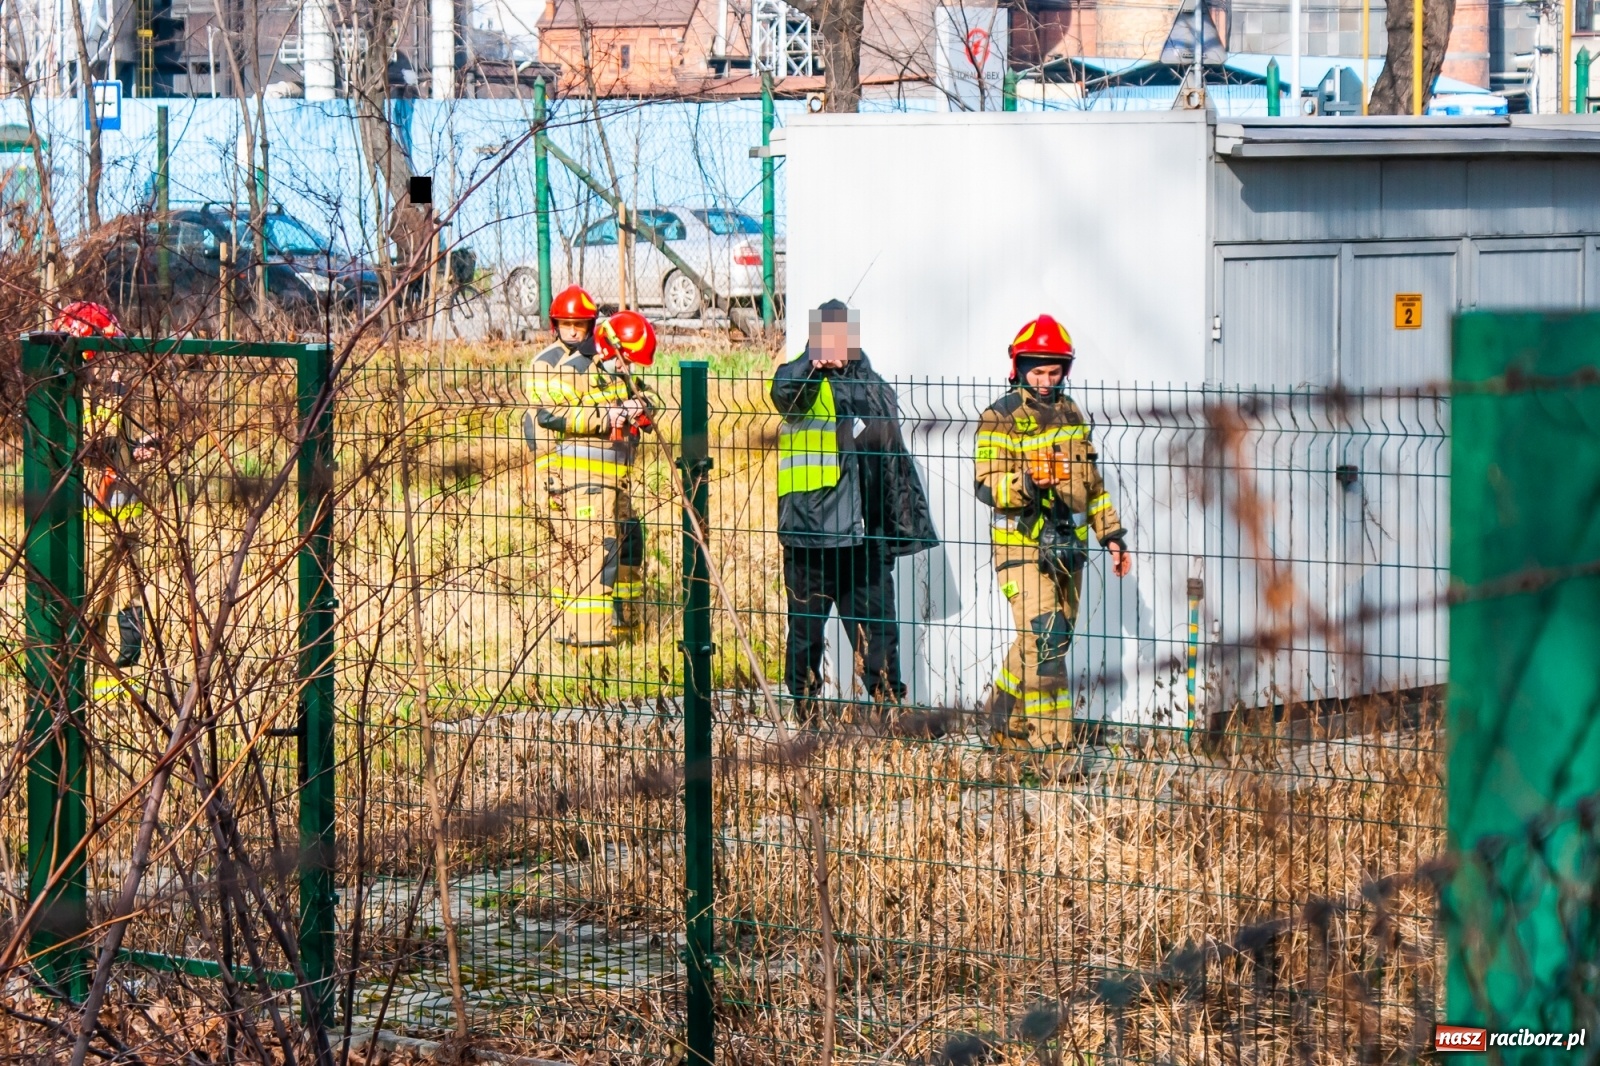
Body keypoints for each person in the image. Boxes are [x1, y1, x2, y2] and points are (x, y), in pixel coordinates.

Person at [770, 299, 937, 724]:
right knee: (805, 633)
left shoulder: (873, 386)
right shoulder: (802, 380)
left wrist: (897, 530)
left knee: (878, 634)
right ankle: (805, 714)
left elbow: (893, 463)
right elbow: (784, 393)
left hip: (864, 537)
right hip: (812, 535)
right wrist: (812, 362)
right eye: (825, 336)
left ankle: (890, 712)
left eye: (841, 335)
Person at [975, 314, 1132, 762]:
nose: (1046, 382)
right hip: (1021, 547)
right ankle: (1053, 754)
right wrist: (1027, 482)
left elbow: (1093, 487)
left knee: (1045, 639)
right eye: (1038, 372)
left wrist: (1112, 537)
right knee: (1047, 641)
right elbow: (986, 485)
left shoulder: (1072, 414)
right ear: (1019, 368)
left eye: (1055, 372)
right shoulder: (1000, 417)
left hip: (1068, 550)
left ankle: (1000, 719)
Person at [524, 287, 655, 647]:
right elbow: (551, 416)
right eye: (567, 325)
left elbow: (643, 395)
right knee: (590, 553)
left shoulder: (609, 365)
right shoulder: (554, 365)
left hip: (614, 477)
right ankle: (586, 639)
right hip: (573, 475)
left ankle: (623, 627)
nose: (573, 331)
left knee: (625, 546)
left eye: (580, 325)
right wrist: (608, 417)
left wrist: (640, 408)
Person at [54, 302, 156, 687]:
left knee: (127, 600)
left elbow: (117, 444)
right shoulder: (76, 391)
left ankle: (116, 682)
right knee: (94, 602)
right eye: (107, 348)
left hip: (124, 511)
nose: (115, 359)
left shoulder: (112, 387)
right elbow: (91, 447)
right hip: (97, 516)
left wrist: (138, 447)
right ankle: (82, 685)